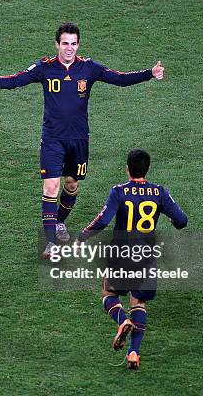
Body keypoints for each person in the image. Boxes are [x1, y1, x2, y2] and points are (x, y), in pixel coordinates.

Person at [0, 23, 165, 259]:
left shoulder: (88, 68)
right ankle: (51, 242)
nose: (69, 48)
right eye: (65, 43)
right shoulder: (45, 68)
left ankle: (59, 222)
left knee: (72, 184)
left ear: (78, 44)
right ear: (57, 44)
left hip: (79, 139)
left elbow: (120, 79)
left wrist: (149, 74)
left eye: (73, 43)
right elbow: (15, 80)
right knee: (51, 187)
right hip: (52, 139)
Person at [76, 149, 188, 369]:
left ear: (127, 168)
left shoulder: (119, 192)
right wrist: (174, 223)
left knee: (109, 294)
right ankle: (134, 353)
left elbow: (102, 220)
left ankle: (122, 321)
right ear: (147, 169)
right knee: (139, 302)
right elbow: (182, 220)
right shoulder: (159, 192)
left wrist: (83, 235)